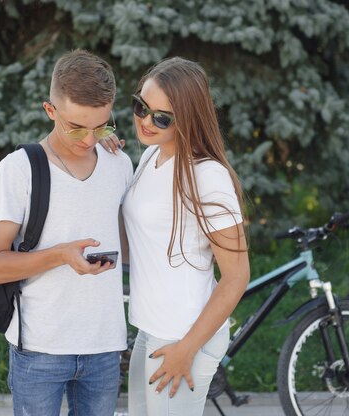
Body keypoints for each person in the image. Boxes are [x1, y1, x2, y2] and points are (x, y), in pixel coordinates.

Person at [0, 49, 133, 416]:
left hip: (105, 345)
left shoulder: (119, 163)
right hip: (40, 348)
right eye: (76, 127)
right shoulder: (19, 169)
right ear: (50, 111)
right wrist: (61, 256)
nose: (88, 139)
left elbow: (129, 246)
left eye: (102, 126)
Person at [122, 57, 250, 415]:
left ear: (188, 118)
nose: (146, 121)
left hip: (183, 334)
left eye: (161, 117)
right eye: (141, 107)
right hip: (152, 327)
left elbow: (237, 276)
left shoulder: (207, 177)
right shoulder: (150, 157)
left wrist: (188, 348)